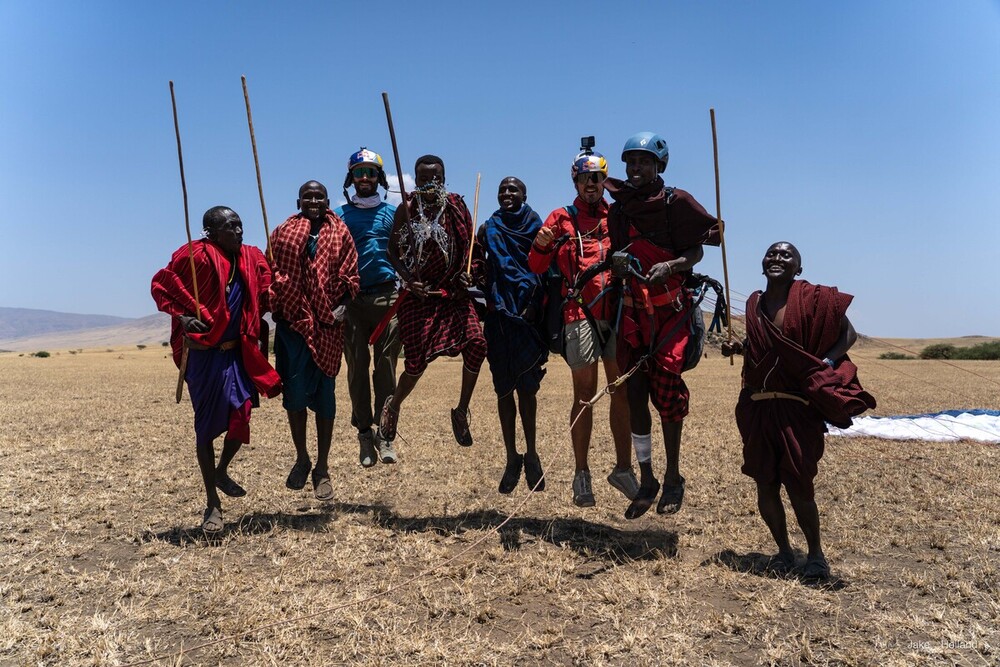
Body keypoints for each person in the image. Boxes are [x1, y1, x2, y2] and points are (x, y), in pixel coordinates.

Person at [722, 241, 875, 579]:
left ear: (798, 268)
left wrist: (827, 361)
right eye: (772, 253)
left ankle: (816, 555)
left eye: (786, 255)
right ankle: (783, 551)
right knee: (765, 481)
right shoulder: (754, 304)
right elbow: (765, 348)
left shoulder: (813, 299)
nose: (777, 258)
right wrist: (740, 346)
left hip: (796, 406)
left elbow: (848, 333)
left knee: (798, 483)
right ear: (763, 264)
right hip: (758, 404)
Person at [605, 131, 721, 519]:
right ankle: (648, 478)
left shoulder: (676, 202)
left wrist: (672, 265)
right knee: (635, 394)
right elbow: (619, 251)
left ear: (659, 165)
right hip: (634, 312)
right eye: (630, 162)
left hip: (670, 313)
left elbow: (698, 249)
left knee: (667, 395)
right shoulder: (619, 207)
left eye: (643, 162)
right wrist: (618, 262)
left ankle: (673, 477)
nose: (635, 168)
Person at [151, 206, 282, 533]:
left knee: (243, 413)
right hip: (204, 355)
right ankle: (212, 502)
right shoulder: (194, 255)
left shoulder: (252, 257)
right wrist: (181, 316)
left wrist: (274, 287)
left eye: (239, 225)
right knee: (206, 428)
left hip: (238, 352)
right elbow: (162, 284)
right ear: (210, 231)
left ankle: (222, 469)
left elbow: (266, 292)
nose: (238, 232)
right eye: (229, 227)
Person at [528, 145, 638, 508]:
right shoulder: (560, 218)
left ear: (606, 181)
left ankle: (624, 469)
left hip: (618, 312)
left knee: (620, 390)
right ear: (574, 180)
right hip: (579, 315)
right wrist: (542, 245)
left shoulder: (619, 216)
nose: (591, 184)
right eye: (584, 178)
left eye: (597, 178)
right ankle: (581, 474)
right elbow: (538, 267)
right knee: (585, 394)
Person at [378, 155, 486, 450]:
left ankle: (462, 410)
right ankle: (394, 405)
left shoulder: (457, 207)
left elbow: (472, 252)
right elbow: (391, 252)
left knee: (477, 344)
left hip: (453, 294)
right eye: (423, 179)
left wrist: (470, 276)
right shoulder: (408, 209)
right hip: (420, 295)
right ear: (416, 179)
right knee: (416, 362)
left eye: (435, 177)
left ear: (444, 177)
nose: (429, 183)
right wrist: (408, 280)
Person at [269, 181, 359, 501]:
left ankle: (322, 468)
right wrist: (280, 304)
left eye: (319, 196)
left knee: (325, 398)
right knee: (293, 395)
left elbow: (352, 277)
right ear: (298, 201)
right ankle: (302, 458)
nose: (314, 201)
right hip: (293, 326)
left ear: (327, 200)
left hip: (328, 326)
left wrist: (342, 308)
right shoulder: (282, 232)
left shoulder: (341, 233)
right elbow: (273, 273)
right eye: (308, 197)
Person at [478, 177, 548, 493]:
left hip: (529, 316)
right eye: (502, 190)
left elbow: (546, 268)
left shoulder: (536, 226)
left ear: (524, 194)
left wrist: (534, 304)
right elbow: (478, 262)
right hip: (499, 315)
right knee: (503, 390)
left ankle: (532, 454)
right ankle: (511, 457)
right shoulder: (489, 227)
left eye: (513, 189)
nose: (507, 193)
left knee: (528, 389)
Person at [334, 148, 402, 467]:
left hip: (389, 297)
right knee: (357, 368)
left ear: (379, 177)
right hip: (352, 300)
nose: (364, 178)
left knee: (386, 369)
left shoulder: (393, 213)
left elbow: (407, 250)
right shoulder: (339, 216)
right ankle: (364, 432)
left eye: (370, 172)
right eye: (359, 172)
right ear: (351, 177)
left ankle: (385, 433)